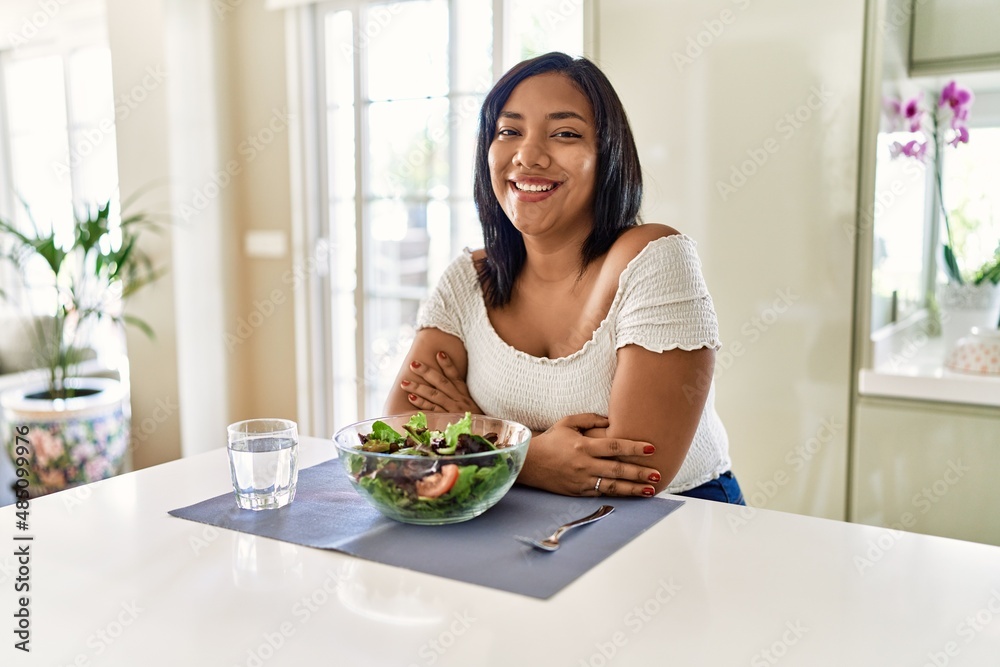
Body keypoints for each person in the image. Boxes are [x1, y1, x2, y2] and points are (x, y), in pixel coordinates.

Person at [384, 52, 743, 504]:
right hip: (527, 516)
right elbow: (398, 431)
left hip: (679, 518)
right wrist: (534, 456)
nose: (528, 155)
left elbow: (636, 472)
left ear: (607, 156)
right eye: (509, 131)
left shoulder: (654, 258)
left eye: (565, 134)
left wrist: (475, 427)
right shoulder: (467, 278)